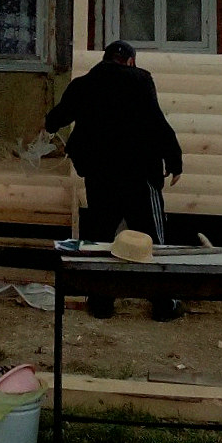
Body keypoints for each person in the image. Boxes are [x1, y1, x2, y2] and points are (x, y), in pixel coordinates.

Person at [44, 39, 183, 320]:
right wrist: (174, 158)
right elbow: (157, 121)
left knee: (100, 238)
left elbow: (58, 117)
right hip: (139, 175)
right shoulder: (141, 80)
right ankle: (163, 304)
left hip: (100, 176)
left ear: (105, 59)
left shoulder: (84, 84)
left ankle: (101, 302)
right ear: (131, 61)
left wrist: (49, 125)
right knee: (153, 240)